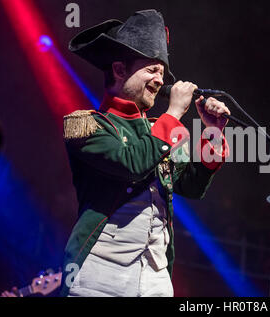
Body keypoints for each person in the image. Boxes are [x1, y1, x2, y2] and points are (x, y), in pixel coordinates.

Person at [59, 9, 230, 297]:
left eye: (162, 74)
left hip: (156, 277)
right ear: (119, 69)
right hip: (100, 274)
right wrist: (174, 113)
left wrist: (213, 130)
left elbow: (192, 185)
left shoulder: (160, 129)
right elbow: (132, 163)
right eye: (151, 70)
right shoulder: (86, 125)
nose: (159, 82)